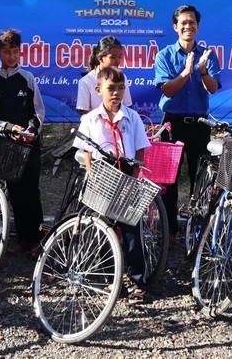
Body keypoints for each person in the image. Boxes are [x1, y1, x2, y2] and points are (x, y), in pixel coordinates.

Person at [74, 66, 151, 302]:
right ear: (98, 90)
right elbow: (86, 149)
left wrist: (132, 179)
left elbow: (139, 148)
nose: (116, 93)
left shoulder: (132, 116)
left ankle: (137, 278)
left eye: (120, 88)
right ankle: (110, 279)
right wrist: (91, 174)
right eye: (110, 88)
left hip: (126, 171)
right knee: (103, 227)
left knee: (132, 229)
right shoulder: (90, 119)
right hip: (101, 173)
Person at [153, 5, 221, 243]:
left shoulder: (207, 55)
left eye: (192, 22)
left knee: (200, 179)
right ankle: (170, 230)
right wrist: (185, 73)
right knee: (168, 180)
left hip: (200, 125)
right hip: (172, 124)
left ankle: (198, 230)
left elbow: (213, 88)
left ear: (198, 26)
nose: (188, 26)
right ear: (175, 27)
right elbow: (167, 90)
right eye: (183, 22)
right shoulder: (164, 55)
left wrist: (202, 72)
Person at [0, 28, 45, 255]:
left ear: (20, 52)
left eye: (15, 51)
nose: (11, 56)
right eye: (7, 52)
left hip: (29, 144)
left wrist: (31, 130)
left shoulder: (27, 79)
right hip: (5, 145)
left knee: (31, 192)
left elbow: (38, 111)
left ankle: (37, 240)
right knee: (14, 192)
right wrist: (7, 129)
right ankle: (21, 238)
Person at [76, 35, 132, 116]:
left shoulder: (122, 77)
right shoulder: (86, 81)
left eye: (119, 57)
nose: (117, 61)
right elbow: (84, 114)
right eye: (113, 57)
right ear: (101, 58)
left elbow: (127, 107)